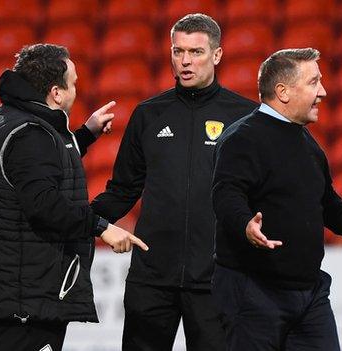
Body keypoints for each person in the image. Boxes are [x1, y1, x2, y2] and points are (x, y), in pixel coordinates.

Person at [211, 48, 342, 351]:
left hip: (309, 295)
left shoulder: (306, 141)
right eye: (313, 82)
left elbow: (327, 204)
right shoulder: (242, 138)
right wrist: (245, 224)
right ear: (282, 92)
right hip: (253, 292)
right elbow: (225, 194)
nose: (323, 92)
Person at [0, 44, 148, 351]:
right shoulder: (30, 135)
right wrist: (103, 227)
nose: (76, 90)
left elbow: (39, 166)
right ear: (56, 93)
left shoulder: (8, 117)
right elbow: (44, 206)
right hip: (24, 298)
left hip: (11, 289)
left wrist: (85, 134)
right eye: (73, 84)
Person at [90, 13, 258, 350]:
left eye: (195, 52)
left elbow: (260, 193)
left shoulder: (245, 117)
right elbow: (123, 189)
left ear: (217, 55)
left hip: (218, 278)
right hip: (151, 278)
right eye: (178, 51)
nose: (185, 61)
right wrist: (81, 219)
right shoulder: (148, 114)